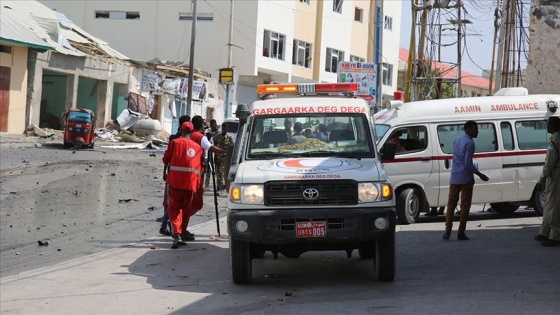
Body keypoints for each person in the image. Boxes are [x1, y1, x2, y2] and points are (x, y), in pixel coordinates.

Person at [443, 120, 489, 241]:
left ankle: (447, 231)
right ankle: (461, 232)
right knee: (465, 205)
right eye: (475, 129)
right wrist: (480, 174)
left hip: (454, 176)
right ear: (468, 129)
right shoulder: (470, 143)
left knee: (451, 204)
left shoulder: (457, 140)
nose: (477, 131)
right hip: (466, 177)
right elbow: (468, 164)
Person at [162, 122, 204, 249]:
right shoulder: (198, 148)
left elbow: (166, 159)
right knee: (185, 210)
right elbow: (201, 168)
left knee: (174, 208)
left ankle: (177, 234)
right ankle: (181, 232)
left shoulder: (174, 143)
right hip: (190, 184)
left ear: (181, 130)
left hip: (175, 182)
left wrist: (164, 172)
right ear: (192, 132)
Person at [159, 115, 190, 236]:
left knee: (170, 202)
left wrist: (164, 171)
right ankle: (173, 228)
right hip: (183, 177)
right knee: (176, 203)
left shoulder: (173, 138)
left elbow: (167, 158)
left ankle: (167, 226)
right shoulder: (186, 141)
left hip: (172, 174)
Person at [535, 116, 560, 246]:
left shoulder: (554, 140)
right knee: (549, 204)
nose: (547, 127)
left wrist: (541, 179)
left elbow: (549, 164)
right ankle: (544, 233)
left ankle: (555, 236)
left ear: (554, 126)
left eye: (549, 124)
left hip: (555, 176)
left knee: (553, 206)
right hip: (555, 175)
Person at [213, 122, 233, 191]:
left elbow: (231, 146)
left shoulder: (229, 137)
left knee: (222, 171)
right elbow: (214, 144)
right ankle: (219, 185)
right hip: (217, 157)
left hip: (224, 157)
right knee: (217, 171)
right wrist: (215, 155)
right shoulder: (217, 136)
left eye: (226, 128)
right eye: (223, 128)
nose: (224, 129)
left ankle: (222, 185)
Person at [204, 119, 219, 189]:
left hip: (218, 154)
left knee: (218, 171)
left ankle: (219, 186)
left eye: (213, 125)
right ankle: (206, 185)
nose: (213, 127)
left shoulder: (219, 133)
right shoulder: (208, 134)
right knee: (208, 170)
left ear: (216, 125)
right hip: (210, 153)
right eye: (211, 126)